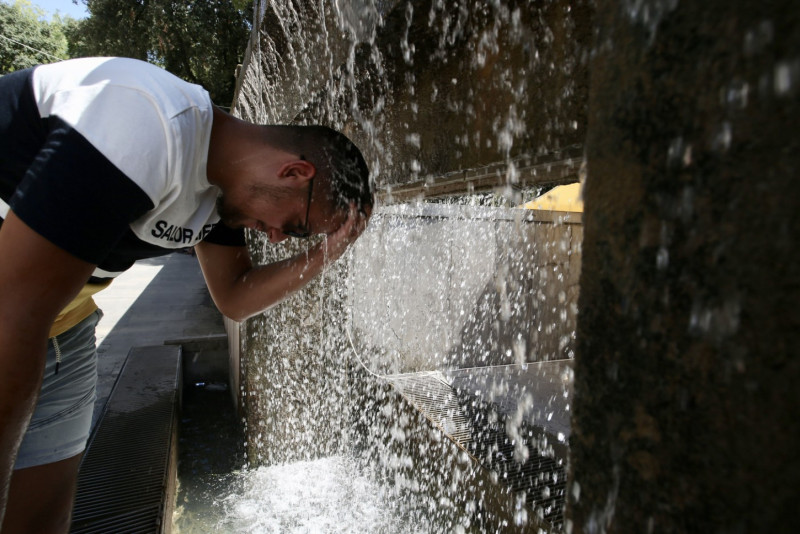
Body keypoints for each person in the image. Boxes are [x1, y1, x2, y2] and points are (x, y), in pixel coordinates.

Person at [0, 57, 372, 533]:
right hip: (15, 320)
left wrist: (324, 255)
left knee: (42, 518)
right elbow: (13, 313)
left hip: (64, 330)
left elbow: (235, 298)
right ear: (295, 172)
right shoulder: (143, 123)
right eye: (298, 227)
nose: (278, 237)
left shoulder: (220, 192)